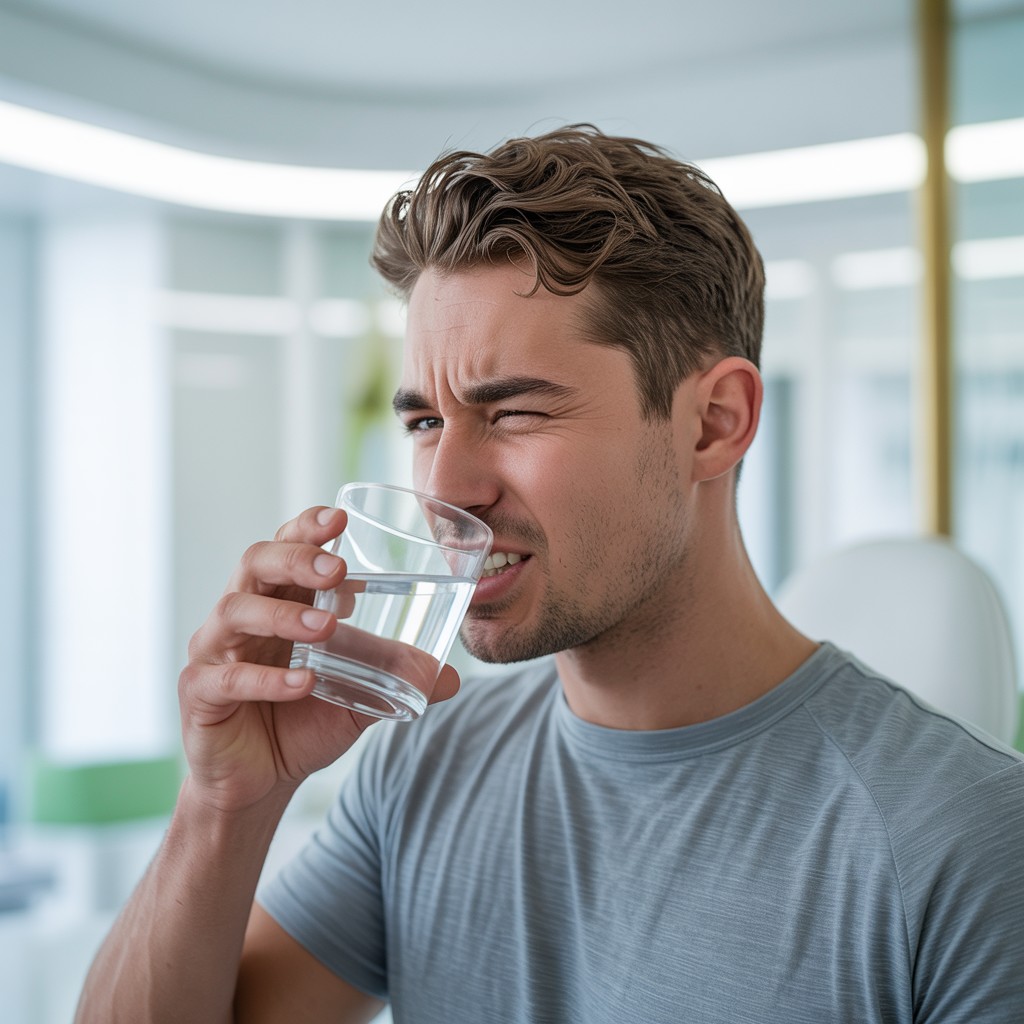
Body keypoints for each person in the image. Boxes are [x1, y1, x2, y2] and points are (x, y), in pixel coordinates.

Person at [76, 125, 1024, 1024]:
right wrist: (226, 805)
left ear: (714, 424)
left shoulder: (971, 846)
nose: (446, 487)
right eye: (425, 422)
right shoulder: (421, 768)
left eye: (516, 412)